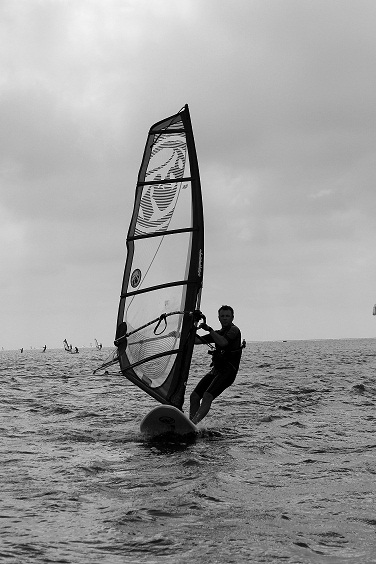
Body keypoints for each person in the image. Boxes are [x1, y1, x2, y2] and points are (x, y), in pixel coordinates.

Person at [189, 305, 243, 424]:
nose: (225, 318)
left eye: (227, 316)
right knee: (194, 397)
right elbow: (196, 341)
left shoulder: (235, 330)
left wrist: (209, 330)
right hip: (216, 370)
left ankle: (193, 423)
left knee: (207, 396)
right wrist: (190, 327)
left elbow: (223, 342)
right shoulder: (218, 333)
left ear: (232, 317)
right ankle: (190, 423)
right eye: (222, 316)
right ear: (218, 318)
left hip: (228, 372)